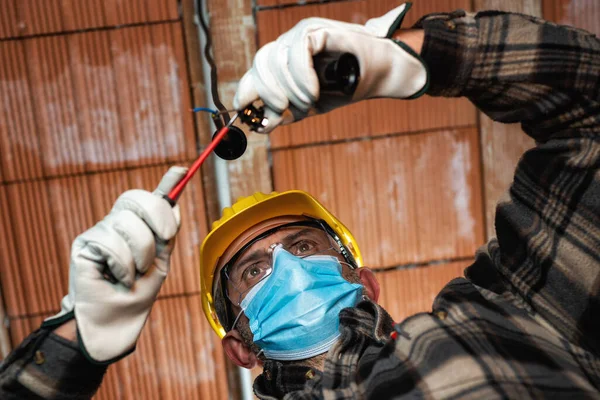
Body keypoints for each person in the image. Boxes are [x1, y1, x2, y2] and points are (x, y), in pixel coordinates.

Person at [1, 2, 599, 399]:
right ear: (239, 346)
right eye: (255, 270)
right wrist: (76, 340)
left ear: (365, 281)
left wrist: (417, 58)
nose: (288, 267)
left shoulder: (515, 313)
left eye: (306, 246)